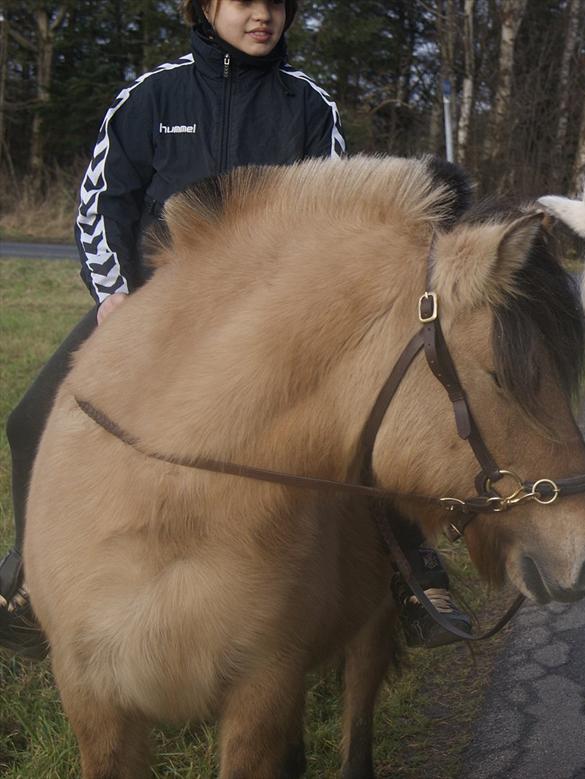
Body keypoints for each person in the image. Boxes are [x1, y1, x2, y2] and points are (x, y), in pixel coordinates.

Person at [0, 0, 466, 657]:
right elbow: (103, 201)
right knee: (29, 420)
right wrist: (115, 298)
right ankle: (32, 579)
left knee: (361, 418)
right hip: (150, 307)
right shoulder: (152, 95)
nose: (262, 14)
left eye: (275, 3)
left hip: (268, 318)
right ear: (205, 8)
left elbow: (329, 227)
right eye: (244, 1)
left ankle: (417, 574)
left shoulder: (308, 106)